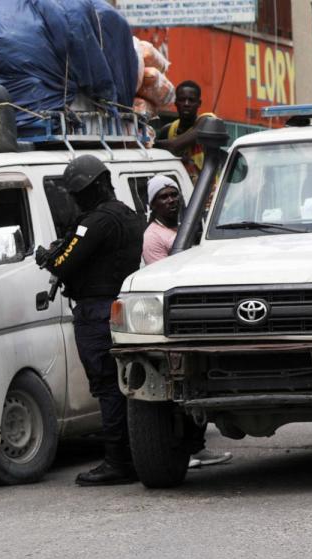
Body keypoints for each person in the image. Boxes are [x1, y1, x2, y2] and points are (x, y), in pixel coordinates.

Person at [36, 155, 145, 486]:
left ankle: (117, 461)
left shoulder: (95, 222)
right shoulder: (130, 216)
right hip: (124, 307)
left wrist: (47, 256)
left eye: (80, 192)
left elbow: (63, 262)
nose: (77, 199)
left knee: (107, 386)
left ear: (98, 185)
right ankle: (136, 454)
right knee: (129, 386)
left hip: (97, 313)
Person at [141, 175, 233, 470]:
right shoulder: (153, 237)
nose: (170, 201)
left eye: (173, 195)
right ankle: (188, 450)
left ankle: (198, 447)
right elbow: (164, 278)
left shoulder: (190, 226)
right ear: (152, 204)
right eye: (163, 197)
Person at [154, 80, 215, 184]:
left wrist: (152, 143)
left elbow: (174, 145)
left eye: (191, 100)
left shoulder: (208, 122)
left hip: (207, 195)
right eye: (182, 100)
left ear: (199, 103)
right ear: (176, 103)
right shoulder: (168, 130)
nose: (186, 104)